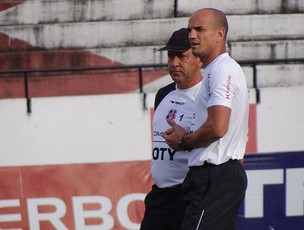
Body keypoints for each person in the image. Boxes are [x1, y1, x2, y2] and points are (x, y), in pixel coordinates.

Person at [163, 8, 249, 230]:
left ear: (220, 34)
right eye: (191, 29)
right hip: (215, 175)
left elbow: (217, 127)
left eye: (199, 29)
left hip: (214, 175)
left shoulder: (222, 70)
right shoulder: (216, 70)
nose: (192, 35)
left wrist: (184, 142)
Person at [140, 28, 203, 230]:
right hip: (159, 195)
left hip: (188, 196)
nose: (174, 63)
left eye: (182, 57)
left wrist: (186, 140)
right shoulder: (163, 93)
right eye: (171, 56)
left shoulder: (207, 97)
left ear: (199, 59)